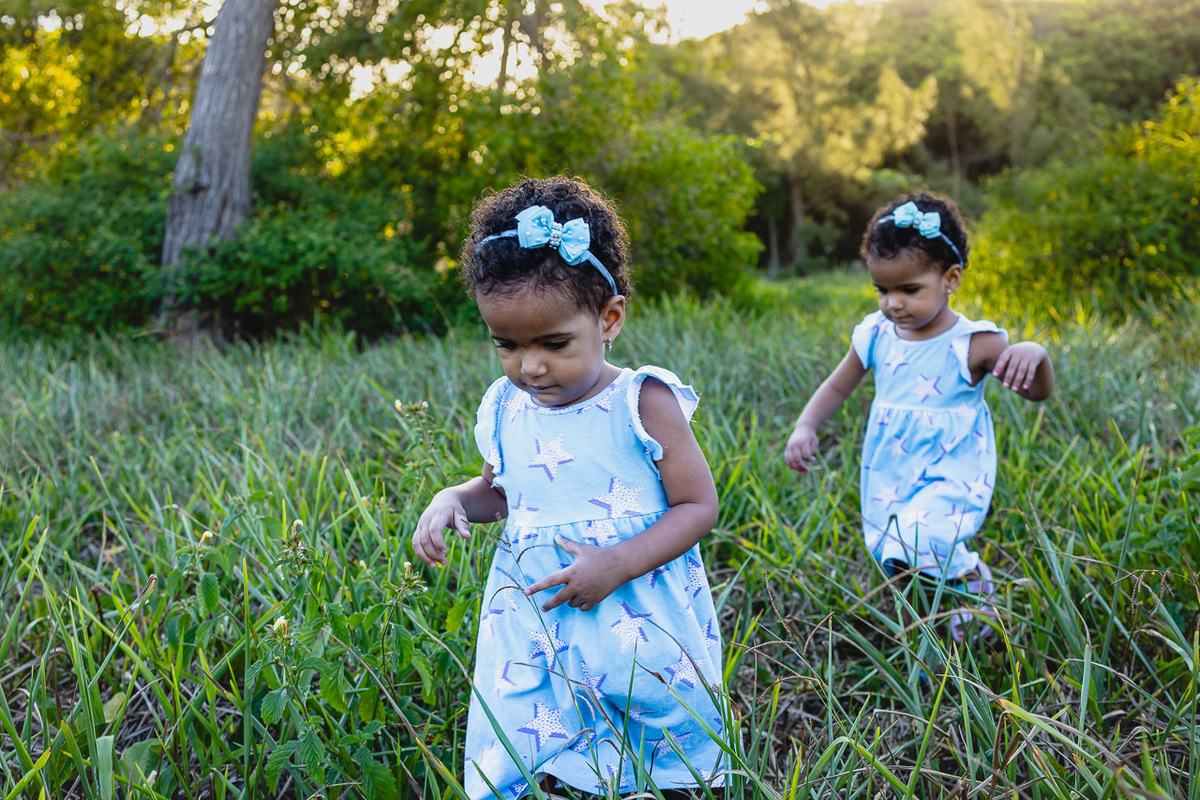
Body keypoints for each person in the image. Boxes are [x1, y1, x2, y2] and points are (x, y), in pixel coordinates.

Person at [413, 176, 727, 799]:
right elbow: (504, 494)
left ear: (608, 319)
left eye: (554, 344)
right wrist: (453, 499)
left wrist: (616, 563)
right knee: (543, 724)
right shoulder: (506, 406)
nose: (530, 366)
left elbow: (699, 505)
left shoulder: (641, 401)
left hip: (633, 604)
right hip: (536, 611)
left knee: (653, 711)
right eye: (507, 345)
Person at [784, 192, 1055, 639]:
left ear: (950, 279)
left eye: (909, 289)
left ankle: (976, 585)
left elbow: (1037, 393)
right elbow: (838, 384)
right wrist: (806, 425)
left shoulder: (974, 343)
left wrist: (1036, 354)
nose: (893, 303)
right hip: (892, 464)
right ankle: (925, 615)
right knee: (894, 547)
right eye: (882, 290)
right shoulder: (875, 333)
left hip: (952, 466)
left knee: (923, 534)